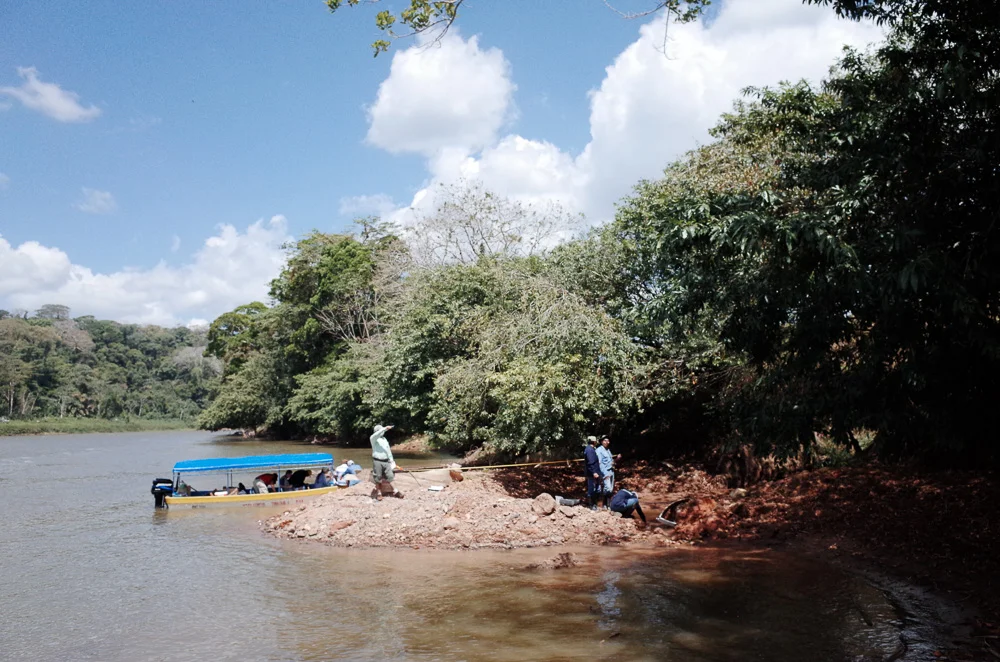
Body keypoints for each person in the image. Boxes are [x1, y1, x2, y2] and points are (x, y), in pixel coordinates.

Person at [370, 423, 404, 501]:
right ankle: (379, 493)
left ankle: (396, 491)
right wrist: (385, 428)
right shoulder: (373, 438)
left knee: (390, 476)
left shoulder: (384, 439)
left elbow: (388, 450)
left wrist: (392, 460)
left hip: (386, 461)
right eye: (381, 430)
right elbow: (376, 434)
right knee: (377, 478)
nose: (383, 432)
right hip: (377, 461)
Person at [595, 436, 622, 509]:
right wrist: (604, 473)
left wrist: (617, 459)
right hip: (605, 471)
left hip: (611, 471)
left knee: (610, 489)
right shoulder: (599, 450)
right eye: (605, 440)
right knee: (608, 488)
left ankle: (608, 505)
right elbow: (599, 463)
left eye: (608, 441)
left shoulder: (608, 450)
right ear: (602, 441)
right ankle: (604, 505)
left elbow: (611, 462)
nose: (607, 442)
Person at [583, 436, 603, 511]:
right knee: (592, 489)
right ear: (594, 442)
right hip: (592, 473)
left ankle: (594, 505)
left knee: (596, 488)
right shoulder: (589, 450)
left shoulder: (589, 449)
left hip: (593, 472)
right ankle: (592, 505)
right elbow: (591, 462)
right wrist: (594, 472)